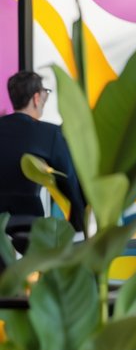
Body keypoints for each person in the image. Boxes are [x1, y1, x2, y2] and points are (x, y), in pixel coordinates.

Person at [0, 71, 86, 231]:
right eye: (45, 93)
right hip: (28, 225)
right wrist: (80, 221)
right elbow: (69, 179)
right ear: (36, 98)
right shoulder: (50, 134)